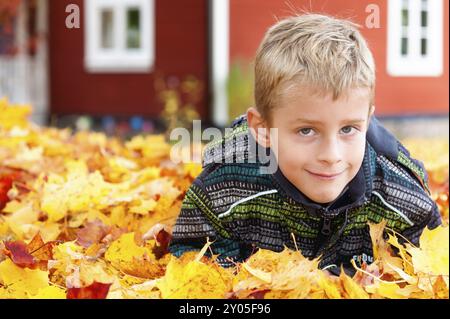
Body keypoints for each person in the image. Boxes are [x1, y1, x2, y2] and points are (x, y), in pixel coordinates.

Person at [168, 14, 442, 276]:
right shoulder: (224, 188)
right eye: (307, 130)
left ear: (367, 121)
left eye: (348, 129)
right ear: (263, 130)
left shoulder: (400, 197)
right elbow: (193, 264)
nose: (331, 156)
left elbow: (432, 266)